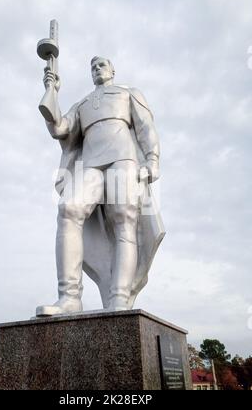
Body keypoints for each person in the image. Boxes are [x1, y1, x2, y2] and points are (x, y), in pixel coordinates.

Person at [36, 56, 162, 316]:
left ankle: (119, 298)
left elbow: (146, 128)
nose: (96, 69)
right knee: (68, 208)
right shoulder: (83, 104)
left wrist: (152, 160)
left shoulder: (128, 94)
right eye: (92, 67)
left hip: (123, 159)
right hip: (91, 165)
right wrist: (52, 90)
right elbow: (60, 128)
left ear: (113, 70)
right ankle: (69, 297)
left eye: (101, 65)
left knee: (124, 220)